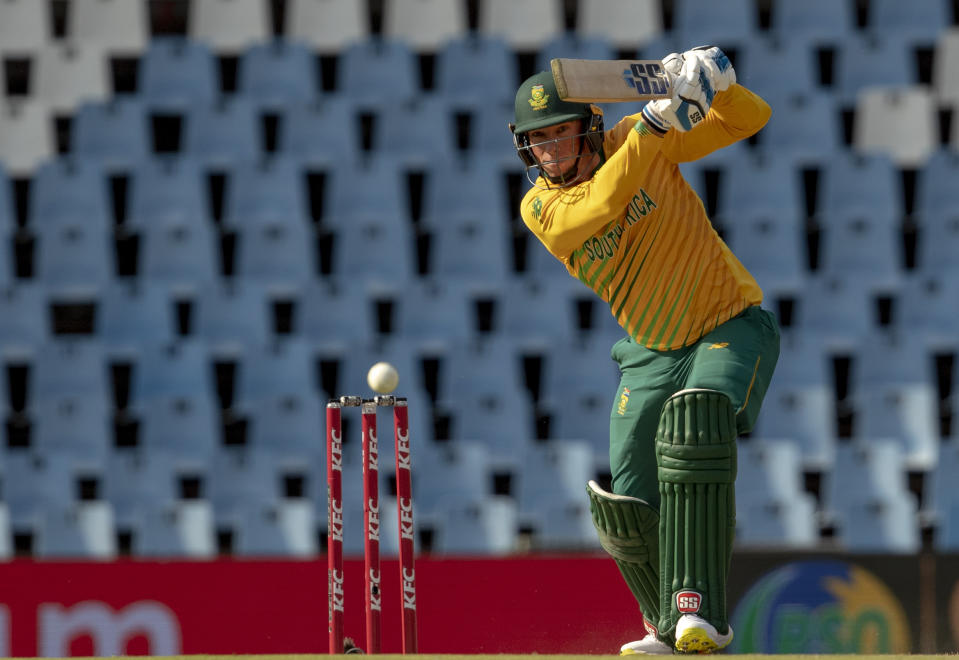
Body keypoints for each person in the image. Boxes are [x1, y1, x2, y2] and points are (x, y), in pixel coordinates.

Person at [510, 47, 780, 655]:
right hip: (649, 352)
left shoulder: (640, 136)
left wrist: (723, 85)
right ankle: (664, 624)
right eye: (538, 142)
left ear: (590, 128)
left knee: (696, 426)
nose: (550, 152)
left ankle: (700, 615)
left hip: (727, 325)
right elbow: (604, 201)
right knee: (626, 502)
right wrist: (658, 121)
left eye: (560, 134)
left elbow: (748, 120)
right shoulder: (541, 207)